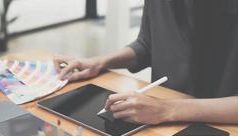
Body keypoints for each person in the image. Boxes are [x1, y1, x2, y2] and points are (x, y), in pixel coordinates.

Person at [54, 0, 238, 125]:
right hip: (162, 120)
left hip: (222, 128)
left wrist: (167, 110)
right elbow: (148, 44)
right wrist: (100, 62)